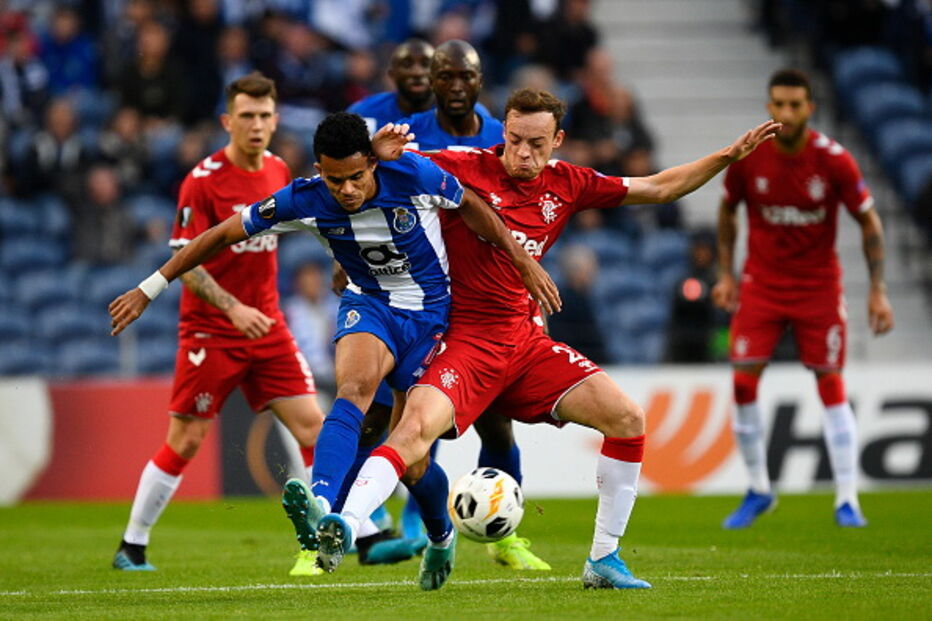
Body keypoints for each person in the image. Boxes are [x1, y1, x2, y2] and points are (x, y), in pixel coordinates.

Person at [310, 89, 780, 590]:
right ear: (504, 132)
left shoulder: (570, 183)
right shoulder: (462, 164)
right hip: (461, 342)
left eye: (536, 143)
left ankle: (603, 560)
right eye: (514, 140)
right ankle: (342, 523)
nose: (523, 153)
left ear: (557, 140)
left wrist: (727, 157)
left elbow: (660, 188)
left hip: (525, 342)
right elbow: (380, 178)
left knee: (627, 419)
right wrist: (374, 180)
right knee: (409, 440)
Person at [108, 111, 559, 575]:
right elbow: (220, 235)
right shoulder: (303, 199)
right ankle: (323, 508)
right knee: (353, 392)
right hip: (370, 305)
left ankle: (441, 537)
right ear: (319, 170)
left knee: (413, 459)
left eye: (356, 178)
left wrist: (522, 263)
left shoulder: (411, 173)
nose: (346, 190)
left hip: (431, 316)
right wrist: (150, 288)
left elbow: (470, 206)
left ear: (372, 164)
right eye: (334, 179)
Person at [110, 72, 327, 577]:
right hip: (212, 329)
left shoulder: (278, 171)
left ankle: (328, 534)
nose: (256, 125)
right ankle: (132, 544)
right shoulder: (202, 180)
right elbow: (185, 258)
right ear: (228, 121)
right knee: (185, 441)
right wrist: (232, 308)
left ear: (276, 120)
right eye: (246, 116)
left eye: (264, 115)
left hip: (268, 323)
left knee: (313, 426)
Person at [712, 69, 894, 529]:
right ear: (769, 106)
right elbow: (727, 212)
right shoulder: (750, 158)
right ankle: (758, 490)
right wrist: (725, 275)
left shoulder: (834, 161)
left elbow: (870, 224)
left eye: (795, 105)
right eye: (778, 104)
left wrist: (877, 290)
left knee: (830, 385)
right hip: (762, 284)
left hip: (818, 287)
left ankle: (847, 499)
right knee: (742, 384)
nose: (786, 113)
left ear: (810, 107)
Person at [348, 38, 436, 135]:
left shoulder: (452, 116)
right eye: (407, 65)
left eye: (426, 64)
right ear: (392, 74)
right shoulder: (363, 112)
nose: (417, 73)